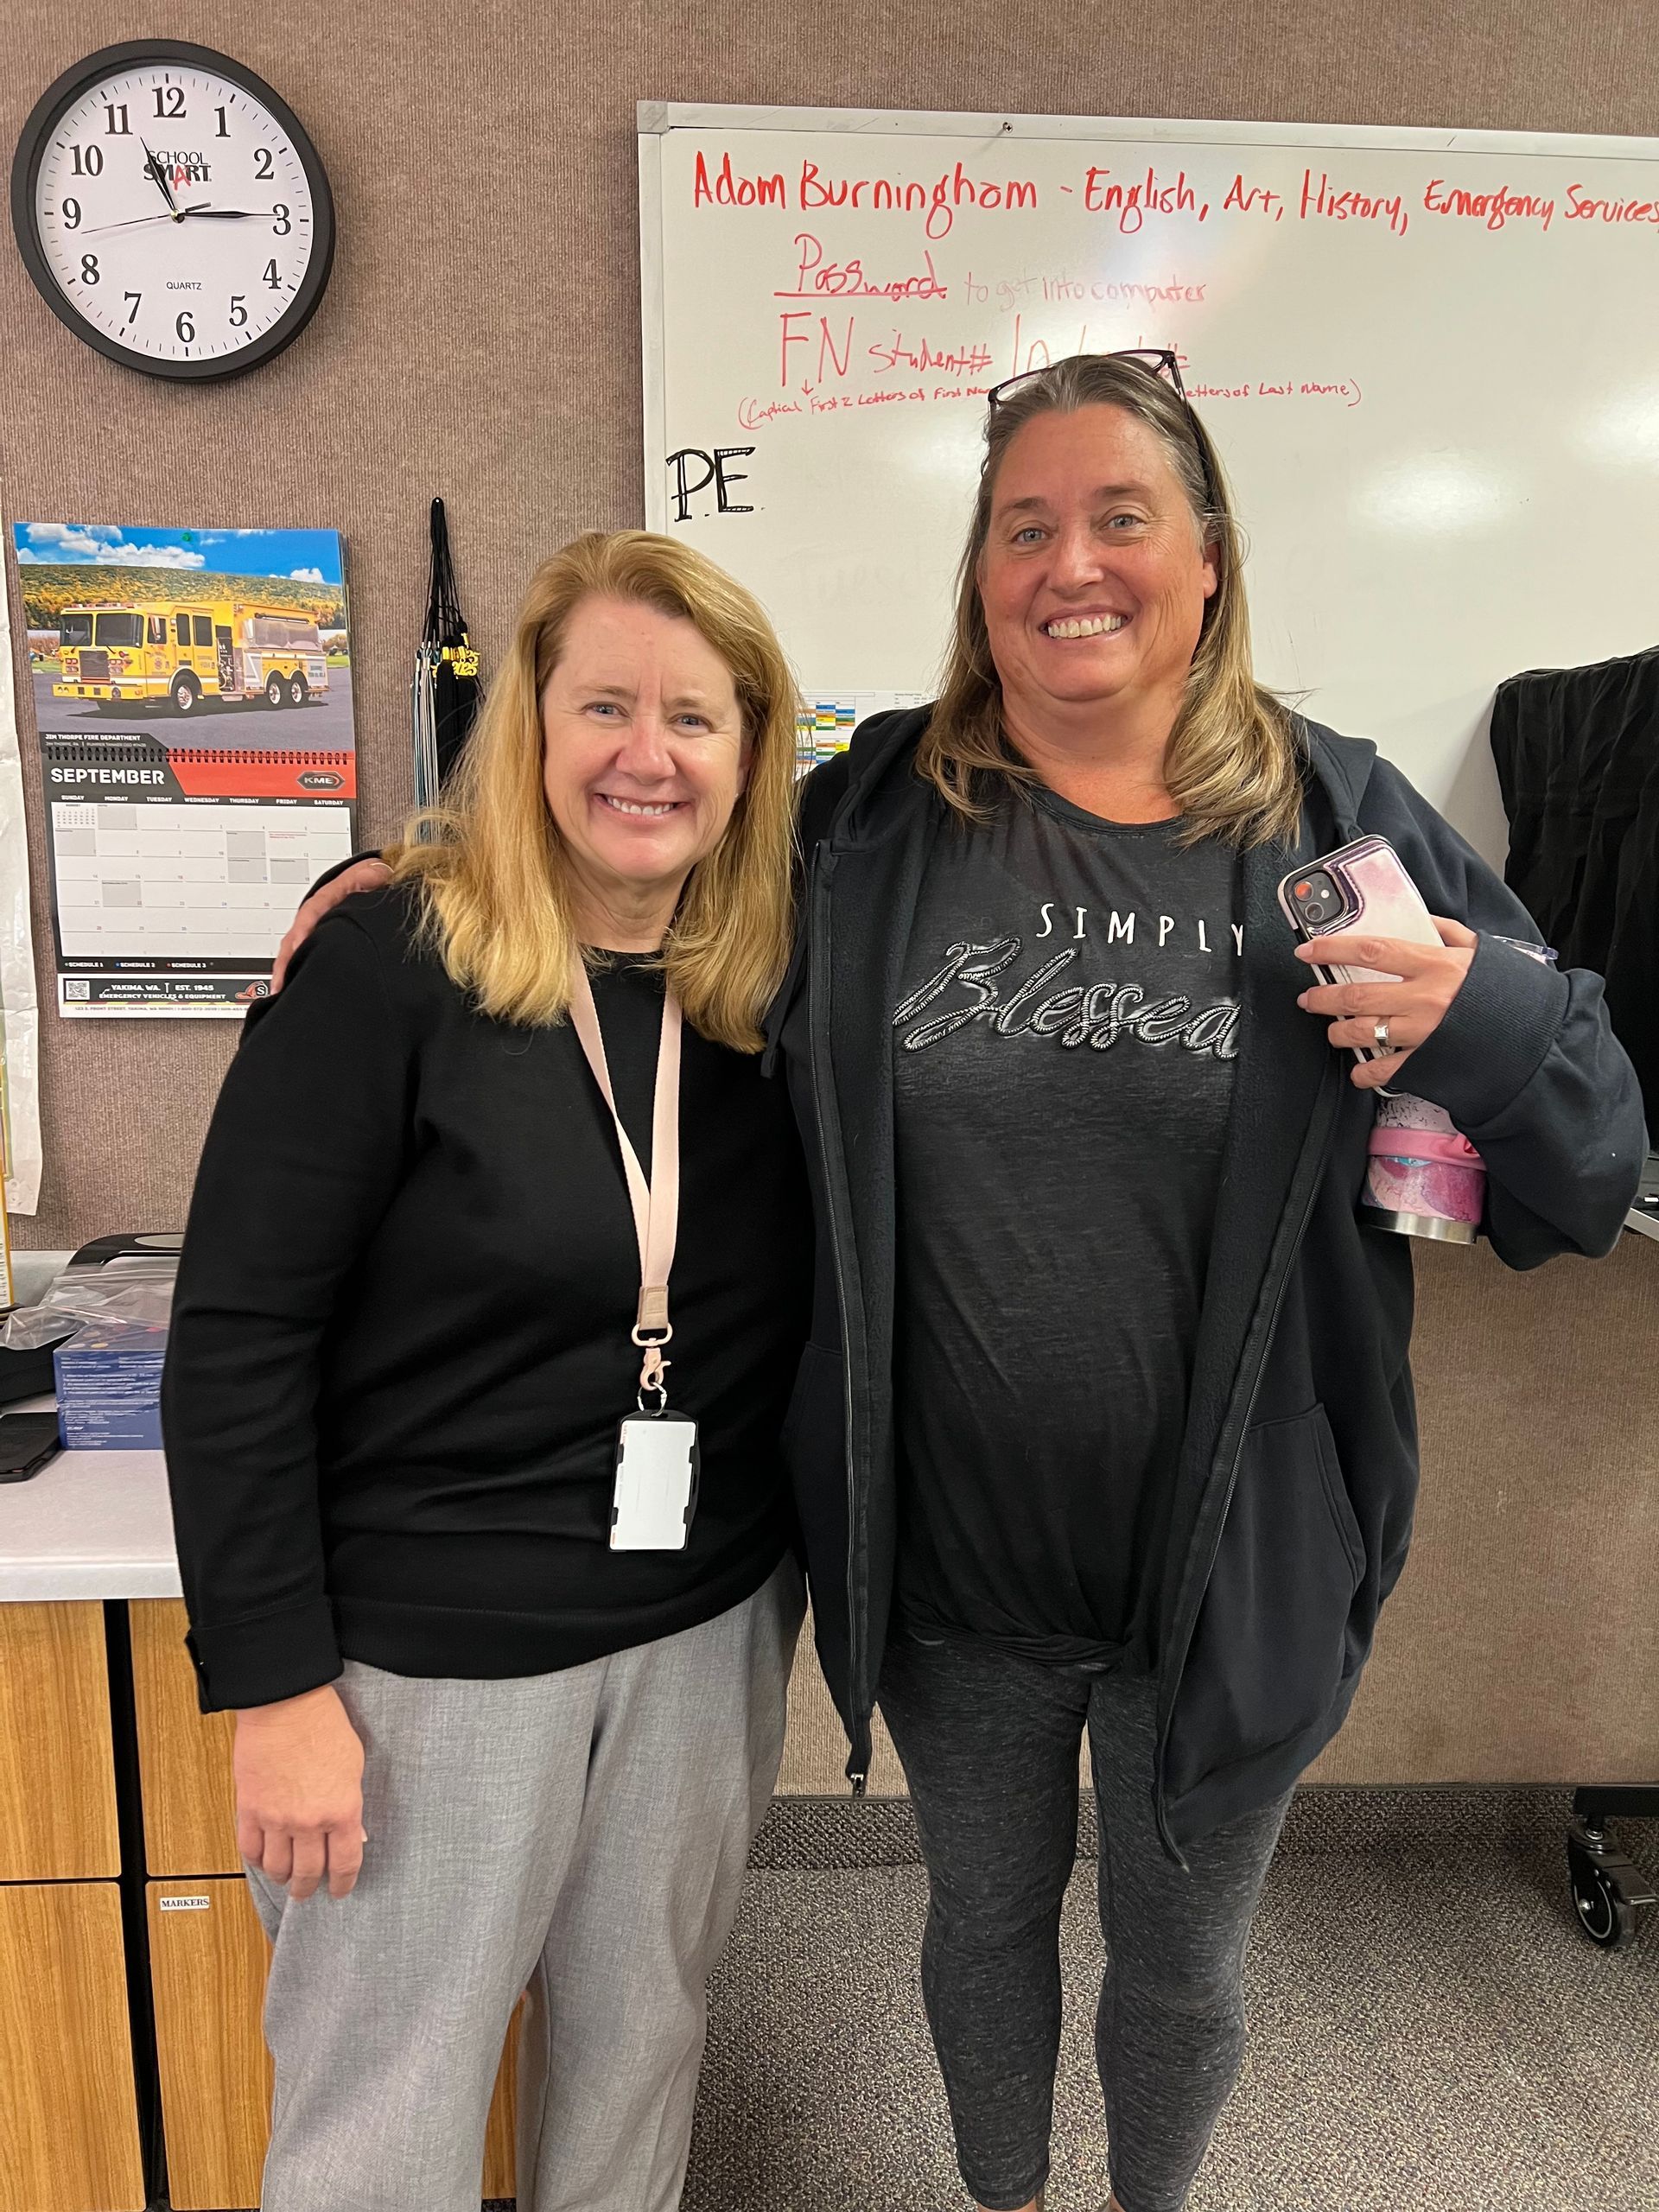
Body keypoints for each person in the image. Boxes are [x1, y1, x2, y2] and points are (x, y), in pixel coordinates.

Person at [289, 355, 1644, 2212]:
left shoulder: (1339, 823)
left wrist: (1478, 1011)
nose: (1070, 563)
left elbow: (1591, 1158)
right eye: (1025, 526)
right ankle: (1002, 2194)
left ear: (1210, 557)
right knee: (980, 1920)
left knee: (1184, 1967)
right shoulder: (869, 823)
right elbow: (633, 867)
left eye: (1119, 517)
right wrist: (423, 872)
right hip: (954, 1565)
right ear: (981, 572)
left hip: (1236, 1563)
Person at [161, 529, 811, 2212]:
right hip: (429, 1666)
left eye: (694, 716)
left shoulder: (769, 991)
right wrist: (275, 1689)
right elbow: (236, 1338)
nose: (647, 754)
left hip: (702, 1638)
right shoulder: (391, 965)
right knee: (385, 2128)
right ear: (529, 724)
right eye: (603, 705)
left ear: (754, 756)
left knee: (638, 2071)